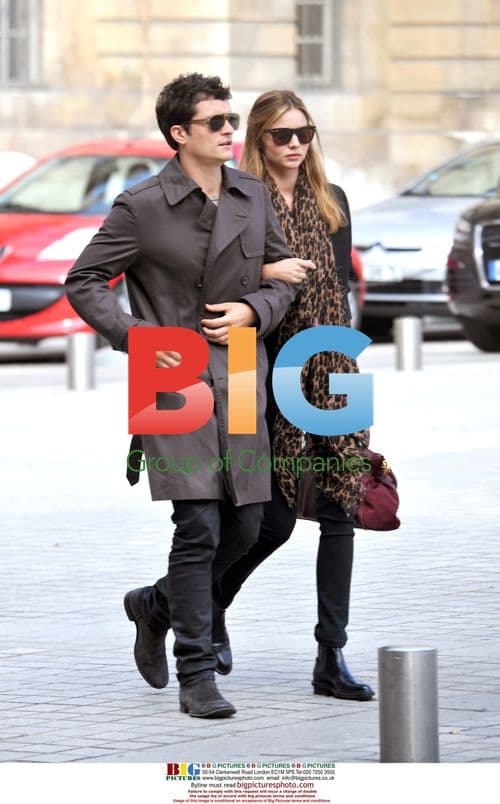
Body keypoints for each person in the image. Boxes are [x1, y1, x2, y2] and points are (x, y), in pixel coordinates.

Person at [65, 74, 313, 718]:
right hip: (168, 376)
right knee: (198, 523)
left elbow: (282, 277)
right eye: (216, 123)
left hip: (239, 371)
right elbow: (84, 280)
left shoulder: (251, 195)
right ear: (180, 133)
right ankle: (196, 674)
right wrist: (139, 338)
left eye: (231, 120)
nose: (232, 131)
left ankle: (154, 606)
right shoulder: (140, 205)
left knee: (247, 524)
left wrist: (252, 309)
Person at [211, 90, 374, 701]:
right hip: (258, 366)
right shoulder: (237, 205)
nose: (295, 145)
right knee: (268, 521)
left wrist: (347, 365)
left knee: (341, 509)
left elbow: (339, 293)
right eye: (281, 135)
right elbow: (224, 286)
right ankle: (200, 607)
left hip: (330, 362)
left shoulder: (334, 204)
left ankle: (331, 657)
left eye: (304, 132)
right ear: (258, 140)